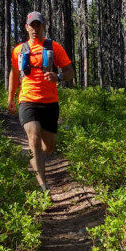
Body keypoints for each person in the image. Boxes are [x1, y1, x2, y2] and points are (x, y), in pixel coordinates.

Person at [8, 11, 74, 193]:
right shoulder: (19, 50)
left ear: (43, 26)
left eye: (38, 25)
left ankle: (38, 156)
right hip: (27, 100)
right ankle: (44, 188)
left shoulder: (54, 47)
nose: (35, 29)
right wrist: (11, 98)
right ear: (26, 27)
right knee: (34, 138)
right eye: (32, 25)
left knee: (48, 147)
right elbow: (14, 74)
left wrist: (58, 76)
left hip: (50, 103)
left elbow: (70, 72)